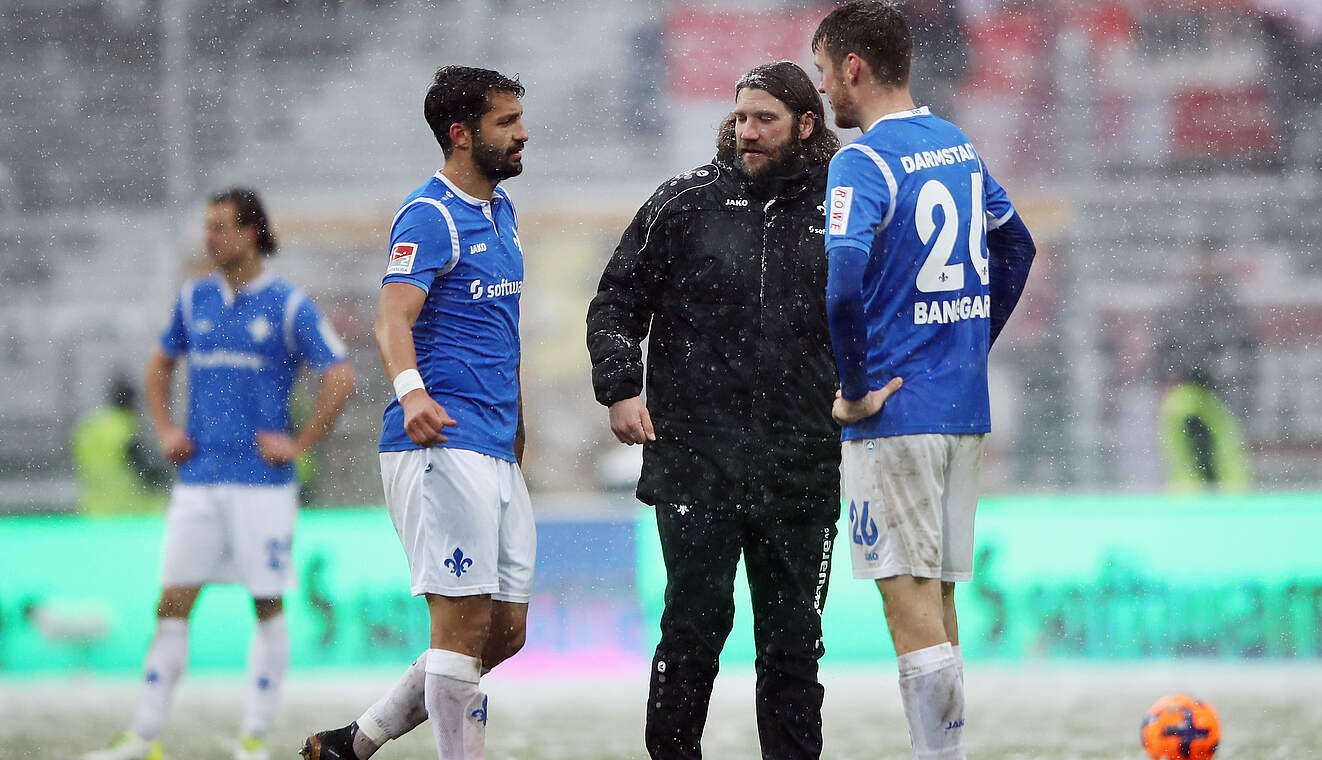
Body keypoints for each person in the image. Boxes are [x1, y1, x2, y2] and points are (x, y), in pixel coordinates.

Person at [586, 61, 842, 760]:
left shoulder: (844, 208)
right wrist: (621, 387)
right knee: (692, 635)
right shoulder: (684, 202)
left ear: (806, 126)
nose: (748, 132)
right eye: (741, 117)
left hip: (802, 465)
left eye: (766, 119)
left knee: (793, 649)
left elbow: (873, 319)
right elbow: (614, 302)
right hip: (696, 464)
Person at [812, 3, 1036, 758]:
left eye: (823, 74)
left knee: (907, 602)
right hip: (961, 407)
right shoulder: (957, 147)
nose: (824, 95)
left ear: (853, 68)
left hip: (897, 415)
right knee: (937, 601)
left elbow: (842, 283)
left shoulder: (863, 161)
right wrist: (968, 348)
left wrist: (857, 384)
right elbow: (1019, 247)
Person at [299, 65, 532, 760]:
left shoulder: (502, 212)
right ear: (461, 136)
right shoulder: (428, 215)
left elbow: (497, 328)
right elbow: (390, 321)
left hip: (492, 442)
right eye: (506, 122)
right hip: (437, 444)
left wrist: (517, 417)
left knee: (506, 634)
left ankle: (356, 742)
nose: (523, 133)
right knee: (458, 633)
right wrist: (412, 392)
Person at [83, 187, 356, 760]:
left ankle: (254, 737)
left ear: (250, 232)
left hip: (262, 484)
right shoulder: (193, 299)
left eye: (219, 226)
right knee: (172, 603)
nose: (208, 238)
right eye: (205, 227)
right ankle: (144, 736)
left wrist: (302, 441)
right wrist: (164, 429)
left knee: (267, 605)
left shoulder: (286, 304)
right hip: (200, 480)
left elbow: (339, 374)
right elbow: (159, 364)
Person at [72, 374, 169, 517]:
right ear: (132, 402)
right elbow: (145, 472)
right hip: (127, 512)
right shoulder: (125, 429)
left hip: (94, 511)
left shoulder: (89, 428)